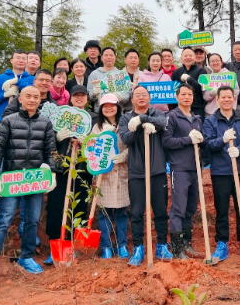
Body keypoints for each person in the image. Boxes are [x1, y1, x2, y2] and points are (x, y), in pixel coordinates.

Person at [0, 86, 57, 293]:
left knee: (32, 219)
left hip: (35, 179)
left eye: (36, 96)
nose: (32, 99)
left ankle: (26, 256)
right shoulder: (9, 120)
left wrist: (52, 172)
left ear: (39, 99)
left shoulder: (46, 122)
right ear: (20, 99)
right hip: (12, 178)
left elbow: (50, 151)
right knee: (4, 219)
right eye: (28, 96)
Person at [118, 86, 172, 266]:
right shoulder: (125, 118)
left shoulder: (158, 113)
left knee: (160, 210)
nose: (141, 97)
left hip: (157, 170)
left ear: (149, 98)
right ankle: (139, 247)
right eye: (137, 95)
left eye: (144, 95)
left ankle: (162, 245)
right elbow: (126, 139)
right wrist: (137, 126)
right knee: (136, 211)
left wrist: (142, 118)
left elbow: (162, 124)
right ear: (132, 100)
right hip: (137, 172)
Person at [43, 85, 96, 264]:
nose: (79, 98)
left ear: (87, 99)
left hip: (83, 168)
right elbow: (48, 138)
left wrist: (87, 141)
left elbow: (99, 141)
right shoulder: (60, 115)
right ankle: (56, 244)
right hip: (62, 166)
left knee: (80, 204)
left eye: (83, 95)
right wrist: (58, 137)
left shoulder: (93, 118)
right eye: (76, 95)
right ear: (70, 98)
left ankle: (75, 245)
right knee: (56, 205)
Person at [203, 86, 240, 261]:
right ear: (217, 100)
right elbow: (208, 144)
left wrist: (239, 150)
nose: (226, 100)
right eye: (223, 97)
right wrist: (222, 140)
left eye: (229, 97)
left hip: (239, 171)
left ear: (233, 99)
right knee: (222, 209)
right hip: (220, 172)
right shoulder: (211, 121)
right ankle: (222, 242)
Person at [163, 84, 204, 260]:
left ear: (193, 97)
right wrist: (188, 139)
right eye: (183, 94)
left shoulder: (197, 118)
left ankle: (187, 243)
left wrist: (200, 140)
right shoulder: (171, 117)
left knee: (191, 207)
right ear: (177, 97)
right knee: (178, 208)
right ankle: (177, 248)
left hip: (195, 167)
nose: (187, 97)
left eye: (190, 94)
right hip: (179, 168)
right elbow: (167, 141)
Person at [92, 93, 129, 259]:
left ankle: (122, 245)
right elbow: (90, 149)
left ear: (117, 107)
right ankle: (106, 246)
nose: (108, 108)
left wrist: (125, 154)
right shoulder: (97, 127)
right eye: (105, 106)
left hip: (122, 172)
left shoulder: (124, 124)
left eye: (112, 105)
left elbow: (132, 144)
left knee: (122, 212)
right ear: (101, 109)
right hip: (103, 176)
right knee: (104, 213)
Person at [0, 49, 34, 130]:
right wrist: (4, 95)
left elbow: (33, 94)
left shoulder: (32, 79)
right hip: (0, 120)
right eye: (18, 58)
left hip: (24, 122)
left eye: (24, 58)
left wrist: (18, 82)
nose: (21, 60)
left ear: (27, 62)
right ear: (11, 60)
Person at [87, 47, 130, 113]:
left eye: (111, 55)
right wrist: (94, 93)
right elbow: (89, 96)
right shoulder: (94, 74)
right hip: (100, 112)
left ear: (115, 57)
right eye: (106, 55)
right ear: (102, 58)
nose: (109, 57)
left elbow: (127, 94)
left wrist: (121, 97)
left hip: (117, 111)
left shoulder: (121, 75)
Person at [171, 47, 207, 119]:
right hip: (180, 109)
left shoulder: (202, 71)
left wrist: (189, 79)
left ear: (194, 58)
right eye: (185, 56)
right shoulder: (176, 72)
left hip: (197, 108)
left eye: (190, 55)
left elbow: (202, 88)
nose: (188, 57)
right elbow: (172, 90)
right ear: (181, 58)